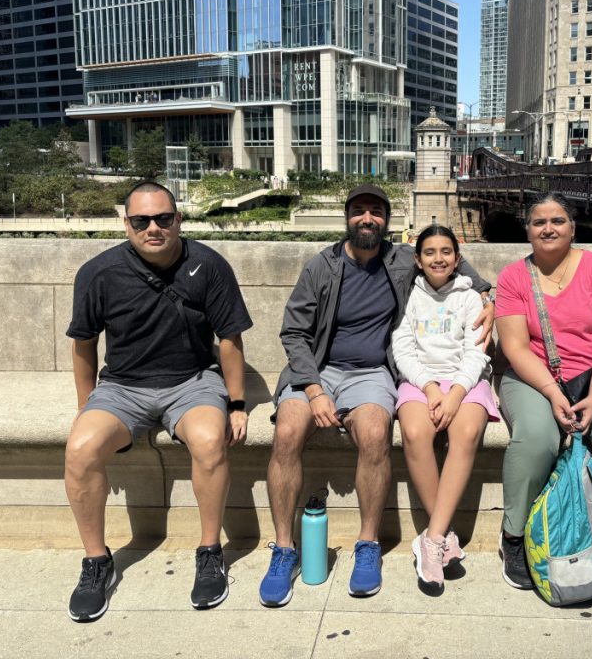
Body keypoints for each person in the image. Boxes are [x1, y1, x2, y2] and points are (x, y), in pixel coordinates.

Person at [258, 185, 495, 607]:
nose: (367, 219)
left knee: (373, 433)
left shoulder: (400, 258)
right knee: (288, 432)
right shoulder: (322, 266)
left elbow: (454, 264)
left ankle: (368, 545)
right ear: (347, 217)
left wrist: (486, 295)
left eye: (376, 212)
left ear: (386, 220)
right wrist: (313, 389)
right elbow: (293, 332)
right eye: (359, 211)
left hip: (370, 373)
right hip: (317, 370)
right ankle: (283, 549)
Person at [64, 181, 253, 622]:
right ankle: (96, 561)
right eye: (141, 220)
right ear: (125, 223)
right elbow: (84, 343)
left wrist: (238, 404)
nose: (153, 228)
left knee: (210, 441)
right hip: (122, 386)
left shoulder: (208, 265)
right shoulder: (98, 272)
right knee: (80, 448)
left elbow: (229, 339)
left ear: (178, 220)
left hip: (192, 381)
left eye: (163, 218)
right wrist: (85, 406)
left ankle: (209, 553)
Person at [494, 192, 592, 611]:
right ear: (528, 231)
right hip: (532, 379)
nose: (549, 228)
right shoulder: (513, 278)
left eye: (558, 220)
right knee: (537, 438)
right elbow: (516, 347)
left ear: (573, 227)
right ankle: (515, 537)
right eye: (539, 222)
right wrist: (555, 393)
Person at [391, 225, 499, 592]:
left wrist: (455, 394)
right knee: (416, 432)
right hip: (421, 380)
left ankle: (431, 538)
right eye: (430, 252)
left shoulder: (471, 299)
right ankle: (445, 534)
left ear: (458, 258)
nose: (439, 258)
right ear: (418, 260)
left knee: (465, 432)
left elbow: (476, 351)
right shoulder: (408, 296)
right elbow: (402, 349)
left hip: (466, 381)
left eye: (447, 252)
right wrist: (429, 386)